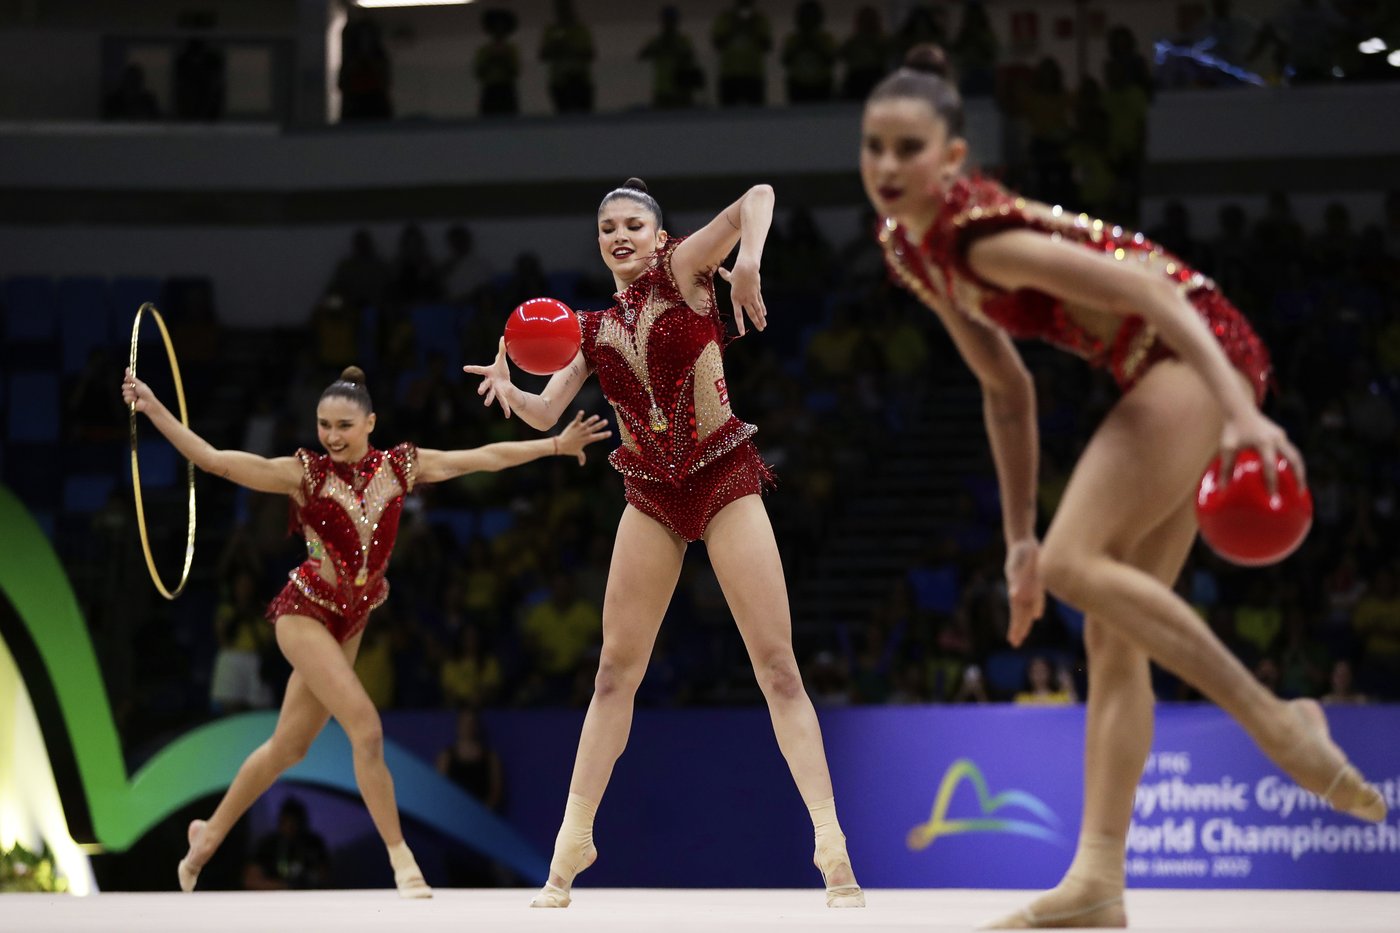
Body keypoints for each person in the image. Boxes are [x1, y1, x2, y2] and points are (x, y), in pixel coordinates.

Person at [859, 45, 1386, 929]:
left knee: (1079, 562)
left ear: (952, 160)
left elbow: (1159, 293)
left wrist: (1243, 418)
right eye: (873, 146)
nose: (884, 167)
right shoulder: (913, 253)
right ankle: (1099, 879)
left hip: (1188, 345)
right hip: (1150, 363)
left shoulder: (983, 237)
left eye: (907, 148)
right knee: (1108, 630)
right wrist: (1018, 537)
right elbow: (1006, 390)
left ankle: (1282, 722)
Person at [464, 179, 864, 909]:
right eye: (607, 226)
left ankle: (830, 842)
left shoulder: (686, 270)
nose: (619, 234)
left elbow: (758, 197)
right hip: (649, 493)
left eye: (632, 224)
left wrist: (747, 261)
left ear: (656, 234)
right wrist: (511, 389)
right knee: (614, 671)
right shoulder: (588, 328)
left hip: (722, 476)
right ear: (599, 242)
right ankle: (571, 843)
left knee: (776, 666)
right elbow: (548, 408)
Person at [121, 364, 608, 898]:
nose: (331, 436)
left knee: (287, 748)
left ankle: (206, 837)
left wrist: (555, 447)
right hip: (304, 613)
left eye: (344, 426)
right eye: (324, 425)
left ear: (370, 422)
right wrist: (151, 406)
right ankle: (404, 864)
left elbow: (482, 460)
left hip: (350, 620)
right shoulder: (303, 473)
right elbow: (214, 461)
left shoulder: (400, 467)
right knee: (366, 728)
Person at [243, 796, 329, 890]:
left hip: (309, 898)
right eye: (287, 821)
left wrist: (306, 883)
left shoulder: (313, 844)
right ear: (280, 822)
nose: (290, 827)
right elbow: (250, 881)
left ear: (302, 823)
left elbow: (326, 878)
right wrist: (285, 886)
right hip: (272, 899)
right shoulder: (268, 845)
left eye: (295, 822)